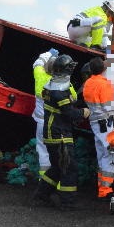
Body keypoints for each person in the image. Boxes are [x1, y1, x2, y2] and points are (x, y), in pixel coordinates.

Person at [32, 54, 90, 210]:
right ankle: (67, 202)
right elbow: (69, 113)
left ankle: (42, 195)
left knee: (57, 167)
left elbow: (64, 105)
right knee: (69, 168)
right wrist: (84, 112)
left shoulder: (50, 86)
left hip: (52, 133)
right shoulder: (59, 92)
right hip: (60, 136)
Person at [31, 48, 76, 181]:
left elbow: (37, 63)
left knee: (43, 152)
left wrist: (49, 54)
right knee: (59, 154)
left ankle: (43, 180)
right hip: (56, 124)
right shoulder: (63, 83)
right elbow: (74, 97)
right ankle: (58, 181)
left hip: (40, 122)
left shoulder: (39, 76)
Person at [82, 57, 114, 200]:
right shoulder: (105, 84)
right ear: (103, 69)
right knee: (111, 153)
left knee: (102, 154)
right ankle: (105, 189)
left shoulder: (88, 83)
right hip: (105, 123)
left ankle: (102, 187)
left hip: (95, 122)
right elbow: (108, 107)